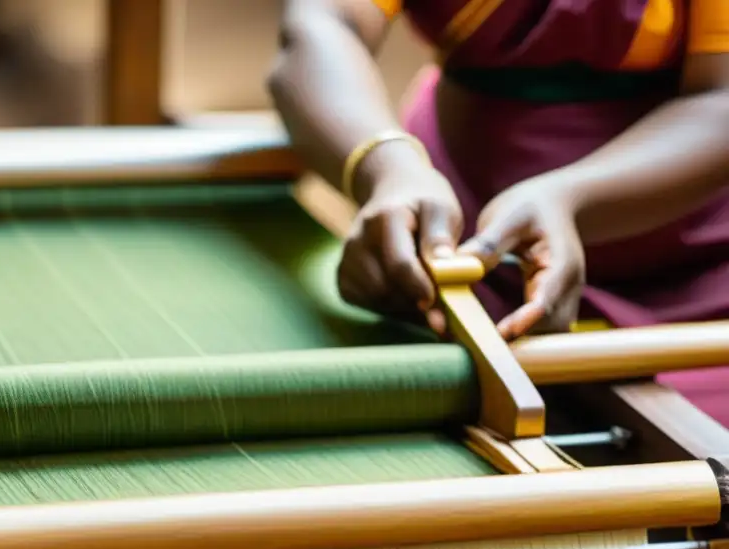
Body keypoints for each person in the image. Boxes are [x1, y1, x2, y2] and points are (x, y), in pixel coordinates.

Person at [268, 0, 729, 425]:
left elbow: (720, 98)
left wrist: (567, 198)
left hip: (698, 279)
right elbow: (323, 24)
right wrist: (388, 169)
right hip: (463, 260)